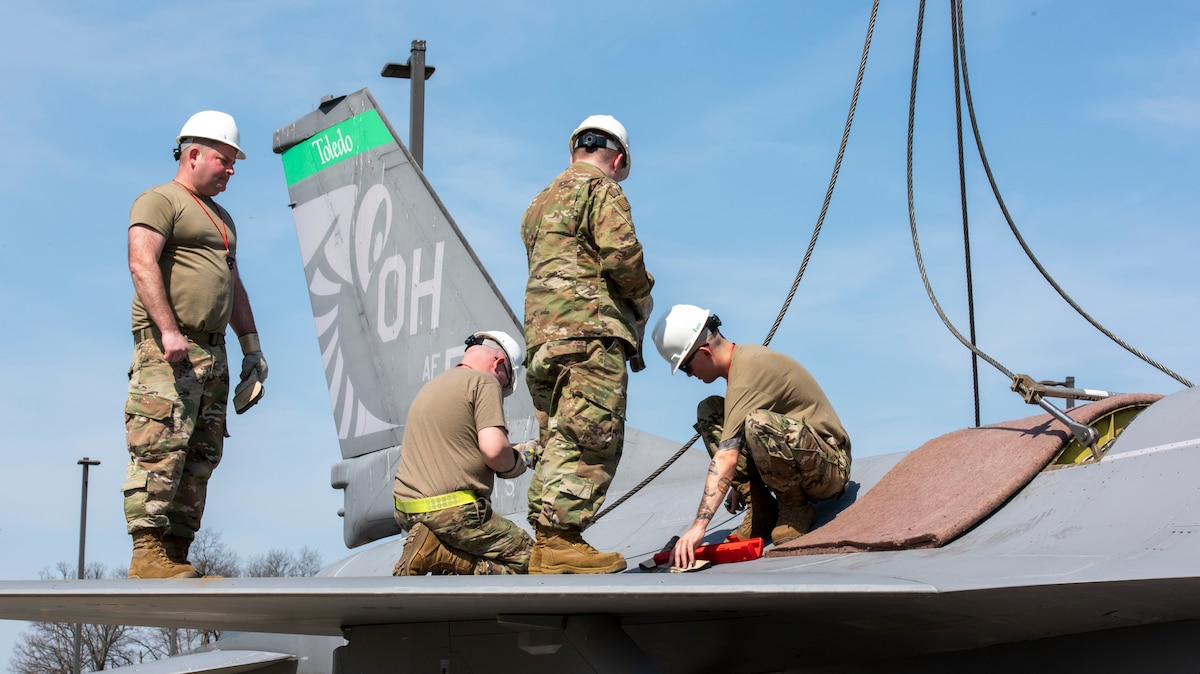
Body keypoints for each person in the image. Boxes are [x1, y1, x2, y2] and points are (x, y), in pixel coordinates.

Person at [123, 110, 267, 578]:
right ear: (194, 154)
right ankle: (147, 555)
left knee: (201, 453)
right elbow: (141, 263)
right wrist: (168, 331)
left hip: (213, 352)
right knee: (161, 443)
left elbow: (235, 284)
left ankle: (174, 555)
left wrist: (251, 348)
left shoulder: (222, 218)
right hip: (171, 350)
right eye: (224, 160)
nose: (230, 170)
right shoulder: (160, 200)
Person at [521, 115, 655, 574]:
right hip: (590, 332)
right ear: (617, 159)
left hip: (541, 341)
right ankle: (561, 538)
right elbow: (621, 255)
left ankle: (547, 541)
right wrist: (642, 297)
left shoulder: (538, 203)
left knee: (559, 435)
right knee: (592, 435)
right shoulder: (602, 189)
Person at [651, 304, 851, 570]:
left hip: (829, 470)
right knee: (710, 411)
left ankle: (794, 506)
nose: (690, 375)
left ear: (704, 352)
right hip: (804, 459)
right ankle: (760, 504)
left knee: (758, 422)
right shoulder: (738, 368)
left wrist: (698, 527)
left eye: (687, 366)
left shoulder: (748, 373)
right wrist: (741, 485)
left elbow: (728, 454)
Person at [392, 331, 535, 576]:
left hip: (408, 510)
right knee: (539, 564)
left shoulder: (431, 388)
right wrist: (518, 462)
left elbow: (456, 448)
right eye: (505, 383)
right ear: (499, 364)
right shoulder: (483, 382)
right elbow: (494, 451)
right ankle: (444, 558)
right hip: (453, 511)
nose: (501, 390)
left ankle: (436, 554)